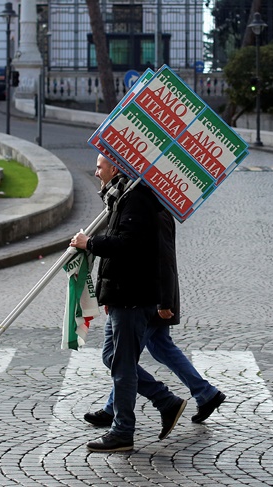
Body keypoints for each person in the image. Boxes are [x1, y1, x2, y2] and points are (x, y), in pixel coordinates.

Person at [70, 155, 187, 453]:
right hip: (122, 295)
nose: (96, 173)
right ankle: (166, 401)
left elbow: (129, 246)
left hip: (132, 297)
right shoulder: (122, 197)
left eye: (99, 167)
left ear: (116, 168)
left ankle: (123, 432)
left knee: (122, 367)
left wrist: (90, 243)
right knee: (113, 359)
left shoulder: (135, 199)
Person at [83, 206, 226, 428]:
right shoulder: (149, 208)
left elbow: (165, 257)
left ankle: (137, 406)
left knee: (121, 358)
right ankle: (206, 393)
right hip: (152, 296)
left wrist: (164, 301)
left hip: (150, 298)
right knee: (160, 348)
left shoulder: (152, 212)